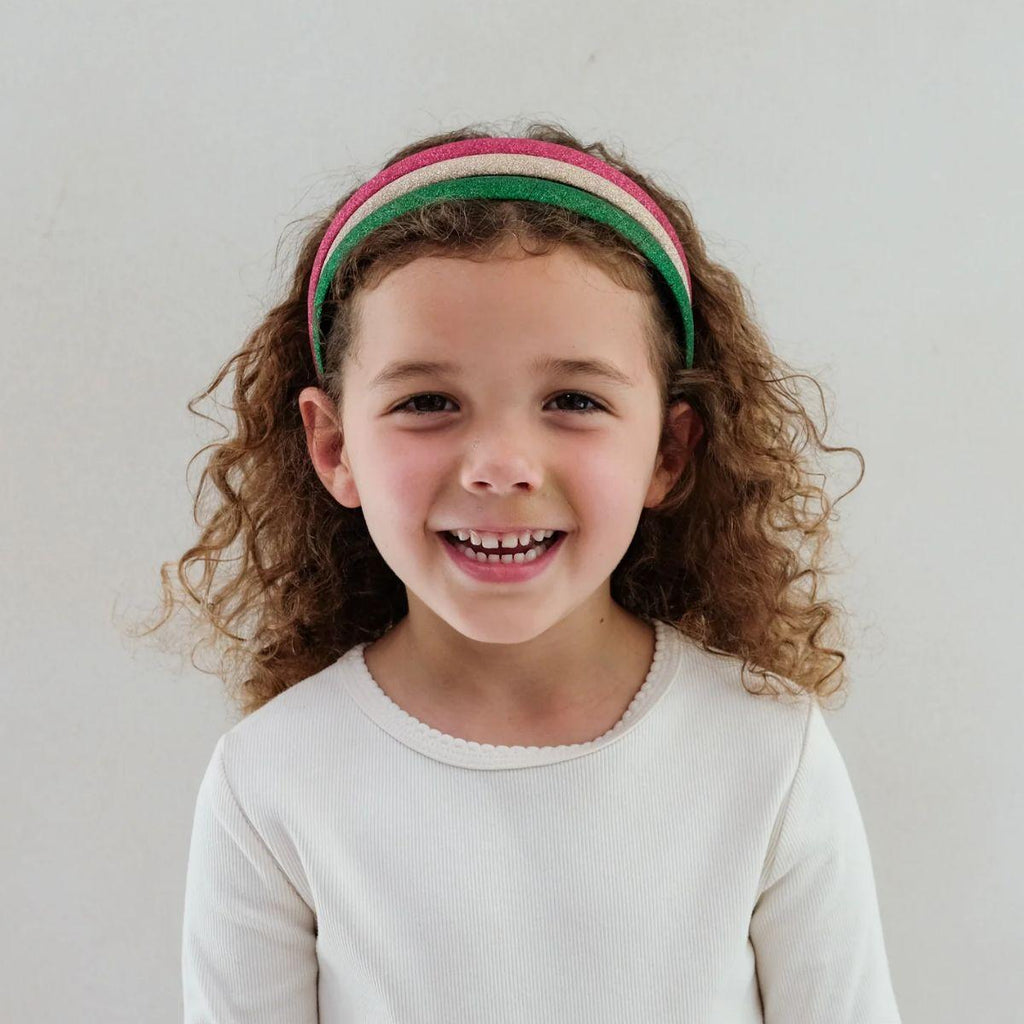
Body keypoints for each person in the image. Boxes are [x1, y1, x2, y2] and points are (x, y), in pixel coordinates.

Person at [150, 122, 901, 1021]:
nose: (500, 465)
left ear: (668, 450)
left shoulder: (768, 752)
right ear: (334, 446)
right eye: (428, 401)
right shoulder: (271, 778)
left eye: (573, 400)